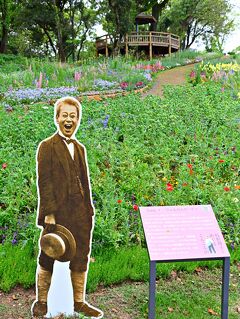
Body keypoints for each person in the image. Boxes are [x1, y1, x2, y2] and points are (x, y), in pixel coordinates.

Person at [31, 96, 103, 318]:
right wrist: (49, 214)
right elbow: (44, 182)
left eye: (73, 116)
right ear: (57, 118)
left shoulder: (80, 148)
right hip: (57, 212)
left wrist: (89, 211)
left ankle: (79, 302)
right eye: (65, 116)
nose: (69, 120)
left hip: (80, 212)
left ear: (78, 120)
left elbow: (85, 180)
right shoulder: (46, 147)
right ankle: (41, 301)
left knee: (81, 255)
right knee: (48, 254)